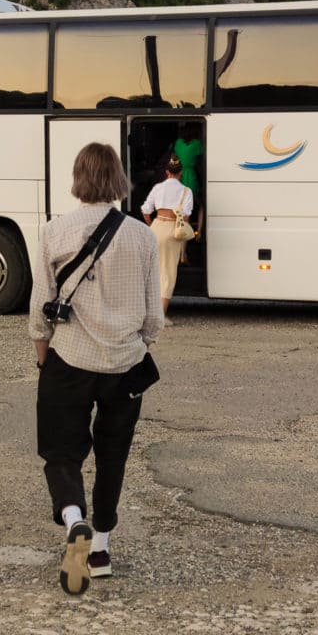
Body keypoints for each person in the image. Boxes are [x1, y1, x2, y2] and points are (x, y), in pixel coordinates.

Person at [31, 143, 163, 595]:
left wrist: (43, 355)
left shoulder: (55, 232)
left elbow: (39, 308)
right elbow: (153, 319)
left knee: (61, 452)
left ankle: (73, 518)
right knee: (113, 457)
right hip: (124, 365)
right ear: (119, 179)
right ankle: (101, 549)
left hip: (69, 358)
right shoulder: (142, 236)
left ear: (77, 177)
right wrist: (134, 344)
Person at [141, 153, 196, 319]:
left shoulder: (158, 188)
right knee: (168, 273)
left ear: (166, 172)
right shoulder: (186, 191)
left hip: (156, 227)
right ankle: (160, 317)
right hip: (173, 231)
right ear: (181, 172)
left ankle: (146, 313)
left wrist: (152, 225)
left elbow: (145, 210)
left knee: (152, 271)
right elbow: (185, 217)